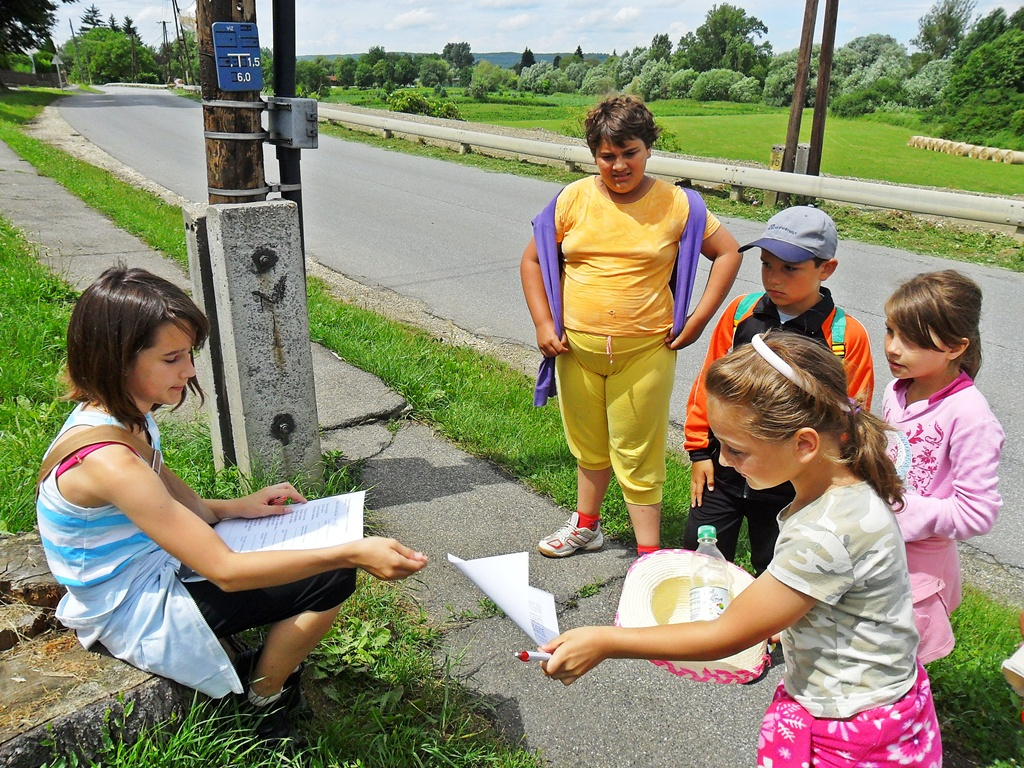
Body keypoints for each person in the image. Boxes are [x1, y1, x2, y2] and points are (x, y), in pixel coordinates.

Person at [35, 266, 429, 743]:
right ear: (117, 361)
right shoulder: (110, 462)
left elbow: (167, 486)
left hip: (150, 570)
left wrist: (230, 507)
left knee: (316, 560)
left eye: (190, 354)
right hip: (131, 608)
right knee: (331, 575)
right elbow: (226, 570)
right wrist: (353, 551)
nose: (190, 370)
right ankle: (263, 698)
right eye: (172, 358)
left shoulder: (119, 418)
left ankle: (261, 679)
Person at [538, 333, 941, 767]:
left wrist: (605, 641)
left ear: (805, 444)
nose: (725, 461)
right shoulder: (844, 486)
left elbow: (724, 636)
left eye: (736, 449)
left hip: (849, 729)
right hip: (882, 699)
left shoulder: (825, 533)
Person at [520, 95, 742, 559]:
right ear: (593, 155)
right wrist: (543, 322)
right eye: (607, 156)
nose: (619, 165)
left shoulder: (677, 204)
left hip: (645, 352)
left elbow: (728, 252)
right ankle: (586, 526)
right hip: (576, 350)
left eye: (630, 153)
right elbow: (533, 259)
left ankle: (648, 556)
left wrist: (698, 319)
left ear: (648, 149)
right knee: (588, 446)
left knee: (639, 452)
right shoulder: (572, 199)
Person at [682, 206, 874, 575]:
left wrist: (825, 482)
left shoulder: (844, 336)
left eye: (790, 268)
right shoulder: (742, 312)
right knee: (700, 562)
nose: (774, 277)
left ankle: (770, 633)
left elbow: (851, 418)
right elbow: (709, 383)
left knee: (777, 569)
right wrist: (699, 452)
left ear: (826, 269)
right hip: (723, 471)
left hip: (791, 485)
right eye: (767, 264)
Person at [882, 269, 1004, 664]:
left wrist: (903, 511)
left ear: (955, 347)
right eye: (890, 332)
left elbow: (977, 513)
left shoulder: (970, 416)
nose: (893, 349)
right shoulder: (897, 389)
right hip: (878, 551)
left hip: (917, 576)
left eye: (911, 340)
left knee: (896, 674)